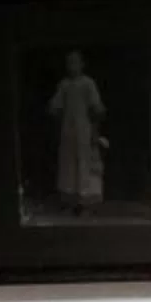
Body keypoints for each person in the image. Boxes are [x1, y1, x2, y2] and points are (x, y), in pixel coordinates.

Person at [47, 48, 106, 210]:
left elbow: (97, 109)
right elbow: (55, 107)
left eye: (75, 62)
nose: (72, 66)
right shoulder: (64, 85)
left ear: (82, 64)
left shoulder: (88, 83)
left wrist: (95, 131)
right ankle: (70, 200)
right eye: (69, 62)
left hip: (85, 130)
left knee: (85, 164)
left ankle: (87, 201)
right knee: (68, 165)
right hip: (68, 132)